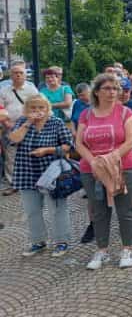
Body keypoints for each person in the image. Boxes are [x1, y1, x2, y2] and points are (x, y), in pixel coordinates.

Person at [75, 74, 132, 270]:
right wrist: (94, 161)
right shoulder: (86, 115)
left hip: (123, 167)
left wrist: (108, 159)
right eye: (107, 88)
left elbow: (129, 142)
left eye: (115, 88)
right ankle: (102, 250)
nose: (112, 92)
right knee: (99, 211)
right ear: (97, 91)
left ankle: (127, 248)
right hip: (92, 170)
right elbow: (78, 143)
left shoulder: (125, 112)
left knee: (125, 210)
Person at [9, 94, 72, 257]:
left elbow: (67, 146)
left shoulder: (56, 123)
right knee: (32, 210)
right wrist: (28, 122)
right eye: (33, 108)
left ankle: (61, 241)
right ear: (26, 109)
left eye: (41, 107)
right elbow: (13, 139)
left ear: (47, 109)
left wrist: (48, 150)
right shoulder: (23, 122)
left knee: (57, 209)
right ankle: (38, 241)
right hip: (26, 172)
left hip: (51, 173)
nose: (37, 111)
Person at [0, 60, 39, 196]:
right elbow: (1, 108)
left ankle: (32, 180)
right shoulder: (4, 90)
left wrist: (30, 121)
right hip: (9, 126)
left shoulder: (31, 88)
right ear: (10, 75)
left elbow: (38, 104)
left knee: (31, 152)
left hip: (28, 125)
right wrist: (6, 124)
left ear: (25, 75)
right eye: (15, 73)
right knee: (11, 155)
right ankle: (13, 184)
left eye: (20, 73)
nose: (18, 75)